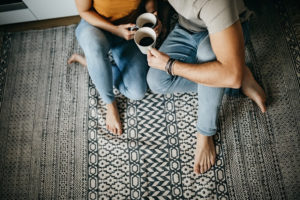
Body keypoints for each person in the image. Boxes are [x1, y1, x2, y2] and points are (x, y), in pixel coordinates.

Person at [146, 0, 267, 174]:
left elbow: (230, 75)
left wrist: (171, 65)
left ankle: (205, 133)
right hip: (186, 28)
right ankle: (239, 74)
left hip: (229, 30)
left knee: (211, 57)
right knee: (156, 82)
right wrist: (157, 18)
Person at [69, 0, 160, 135]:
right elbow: (84, 11)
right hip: (97, 26)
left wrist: (153, 16)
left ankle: (90, 63)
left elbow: (149, 1)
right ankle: (110, 104)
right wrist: (115, 30)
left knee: (137, 92)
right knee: (94, 48)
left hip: (130, 29)